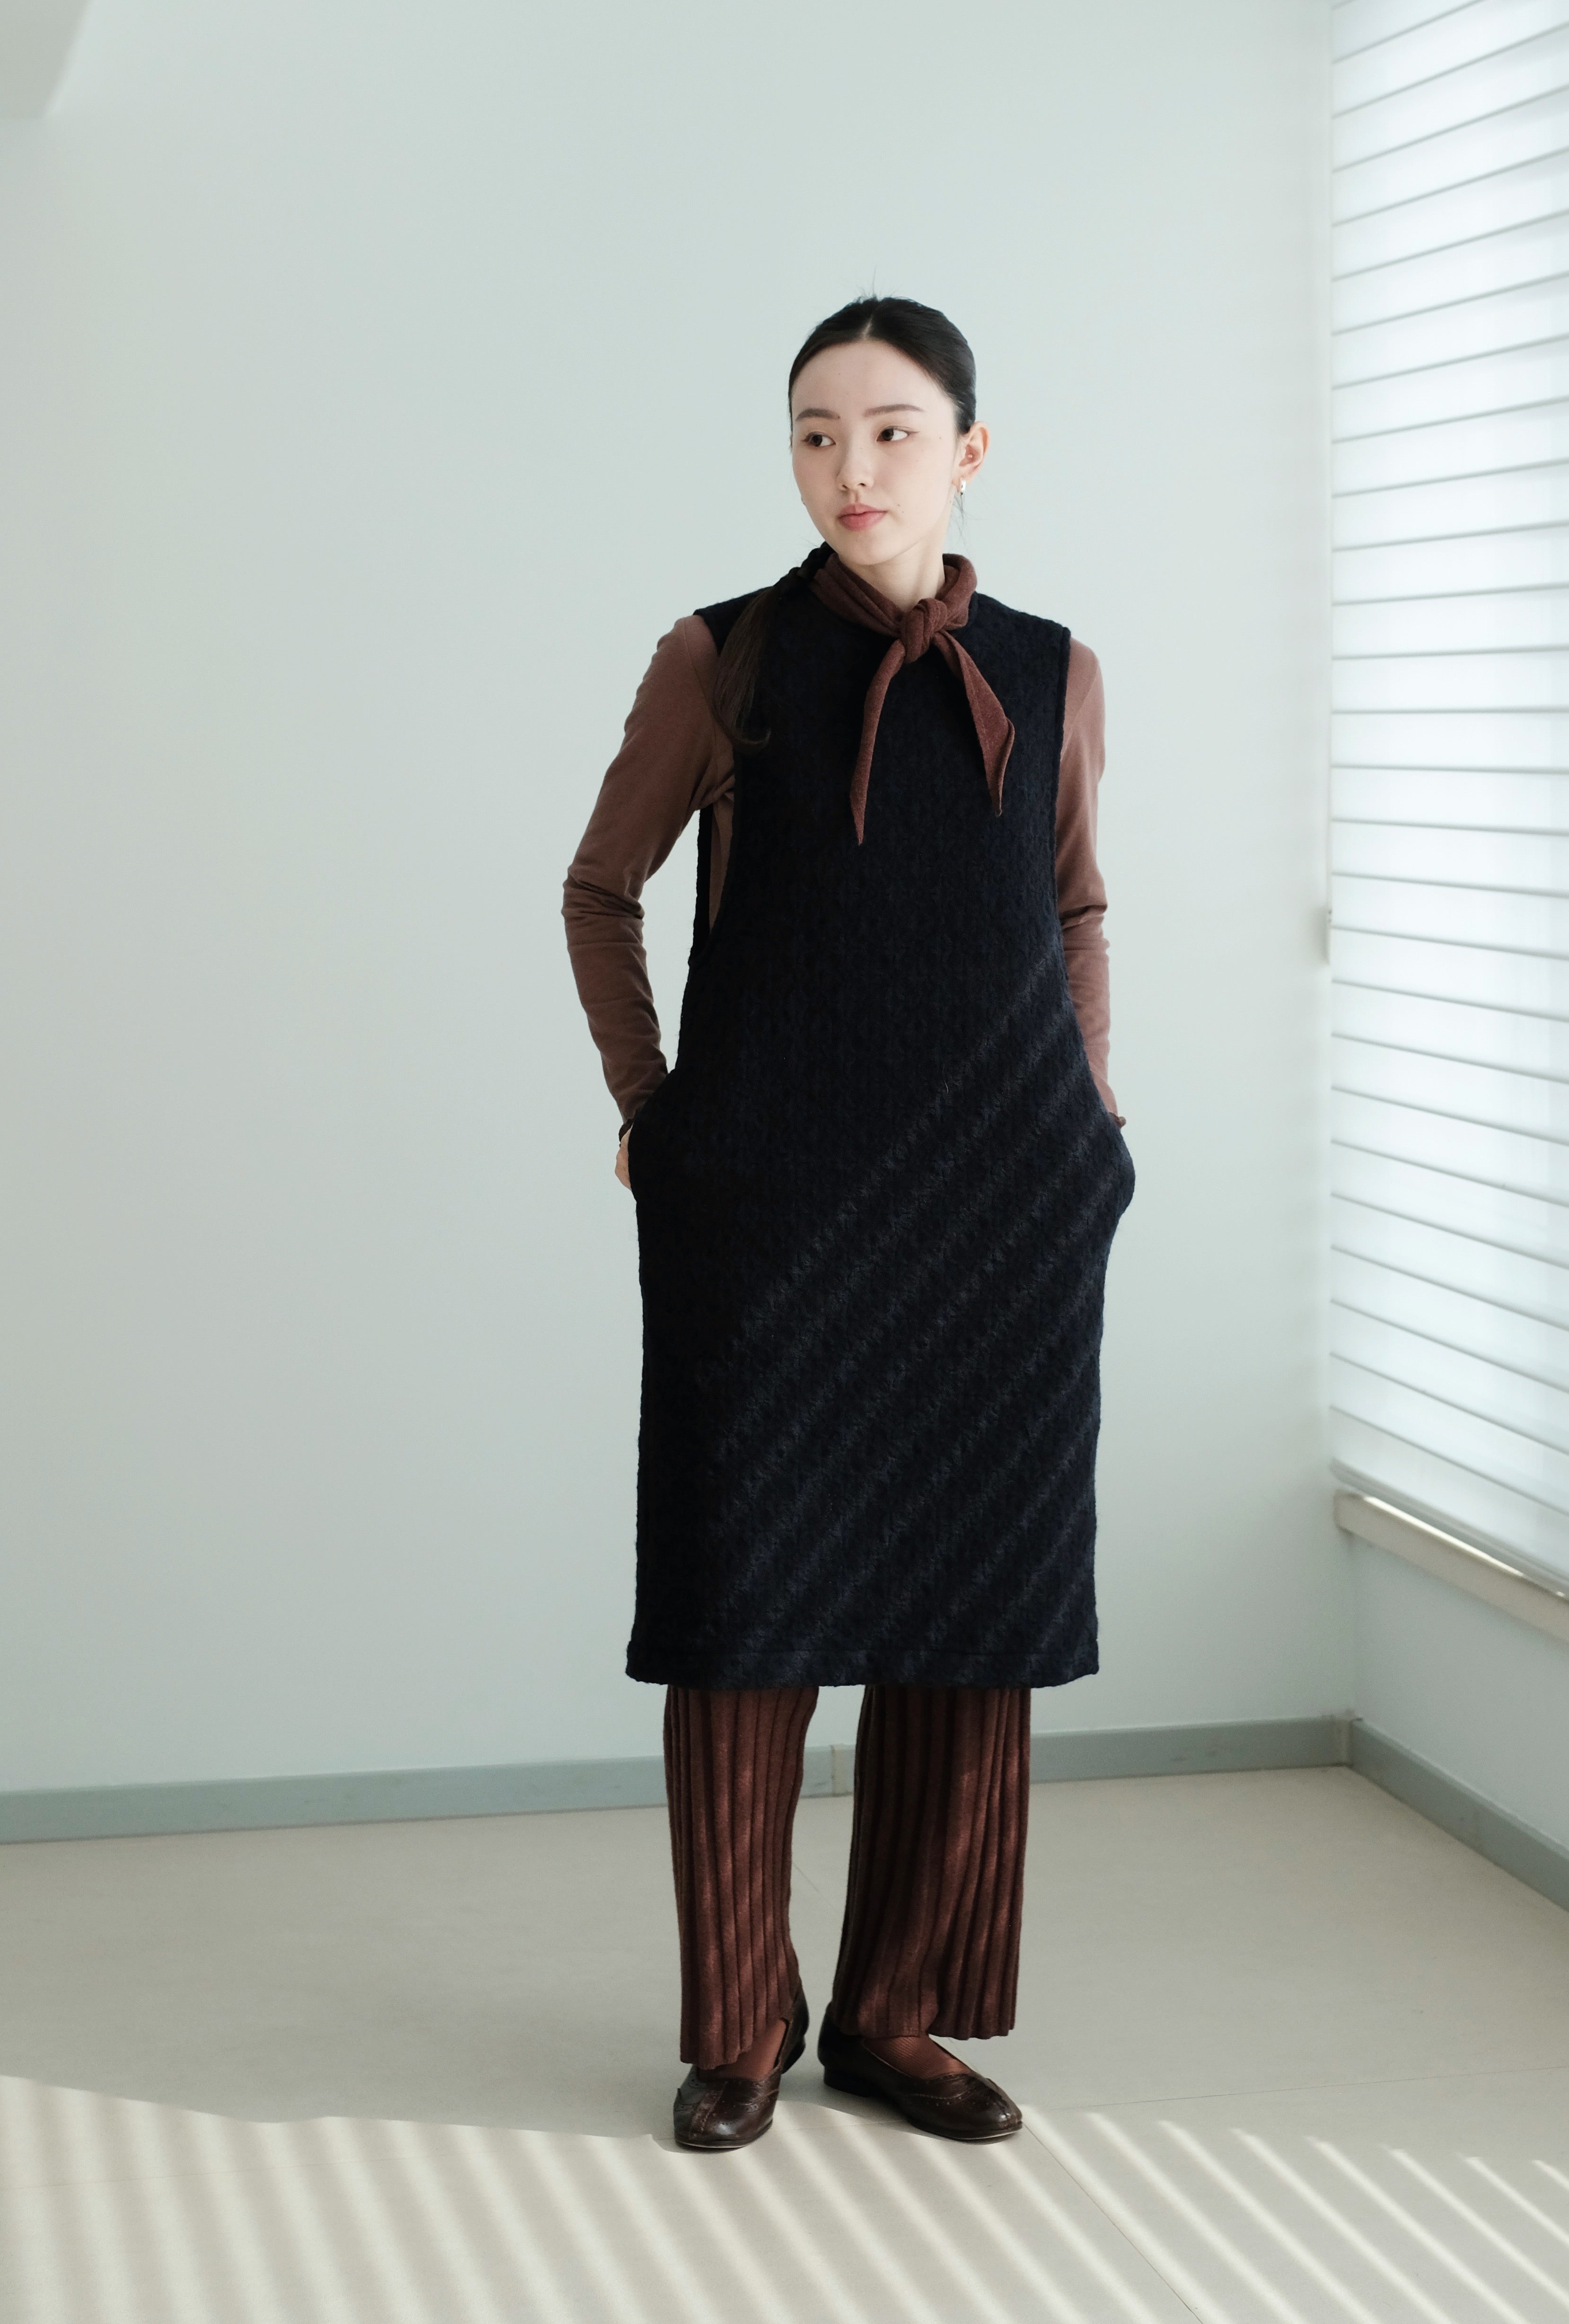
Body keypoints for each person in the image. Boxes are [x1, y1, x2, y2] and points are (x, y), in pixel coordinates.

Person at [562, 294, 1133, 2152]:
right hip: (767, 1215)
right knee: (742, 1615)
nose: (850, 467)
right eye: (816, 433)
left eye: (890, 430)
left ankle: (893, 2016)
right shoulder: (722, 656)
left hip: (1003, 1216)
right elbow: (599, 887)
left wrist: (1095, 1122)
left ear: (969, 451)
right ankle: (741, 2026)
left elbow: (1074, 910)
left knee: (969, 1618)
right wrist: (654, 1108)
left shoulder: (1051, 669)